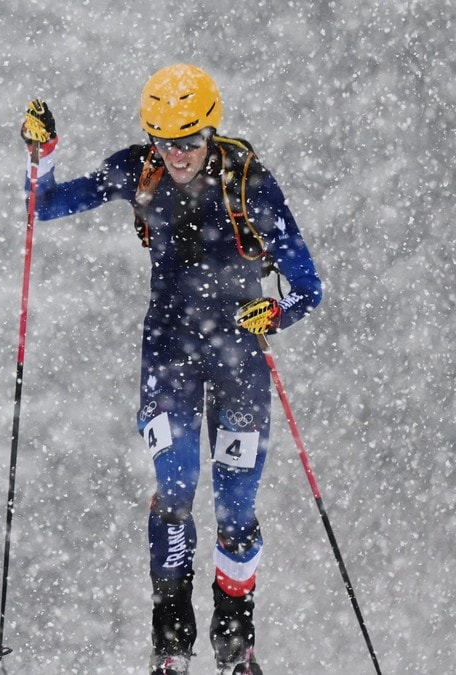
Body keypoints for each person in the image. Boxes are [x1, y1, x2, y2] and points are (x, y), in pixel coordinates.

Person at [20, 64, 323, 675]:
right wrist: (41, 154)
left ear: (210, 131)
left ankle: (236, 642)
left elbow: (308, 286)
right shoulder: (140, 168)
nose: (176, 154)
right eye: (163, 140)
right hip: (169, 353)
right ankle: (172, 642)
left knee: (236, 507)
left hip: (238, 356)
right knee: (177, 490)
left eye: (187, 141)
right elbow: (45, 206)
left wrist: (276, 312)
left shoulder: (249, 183)